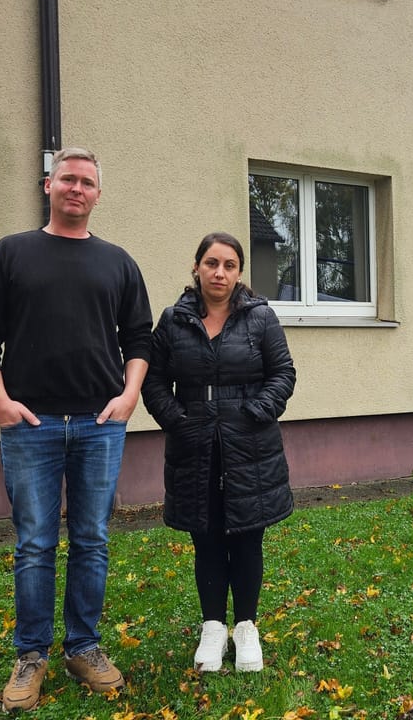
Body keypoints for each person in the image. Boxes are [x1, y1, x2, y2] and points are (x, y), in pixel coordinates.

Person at [0, 146, 152, 710]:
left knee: (91, 540)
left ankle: (84, 647)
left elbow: (140, 338)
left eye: (87, 182)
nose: (76, 188)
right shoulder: (10, 255)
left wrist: (129, 396)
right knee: (35, 544)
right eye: (67, 178)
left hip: (99, 425)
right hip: (31, 425)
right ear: (48, 185)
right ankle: (31, 656)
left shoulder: (118, 263)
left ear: (98, 193)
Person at [142, 231, 296, 673]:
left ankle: (246, 627)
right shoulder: (174, 320)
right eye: (211, 263)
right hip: (194, 449)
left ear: (239, 272)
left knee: (248, 537)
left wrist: (256, 412)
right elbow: (153, 381)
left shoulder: (260, 318)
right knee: (205, 537)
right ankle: (213, 627)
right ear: (197, 268)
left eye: (229, 265)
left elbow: (282, 373)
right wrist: (176, 419)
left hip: (250, 446)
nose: (220, 272)